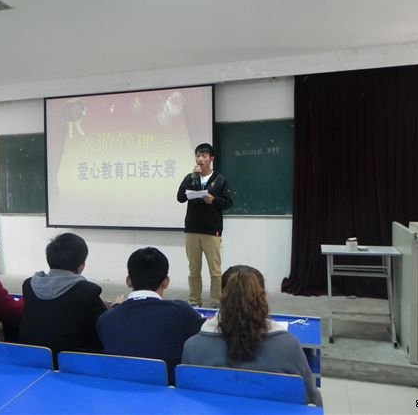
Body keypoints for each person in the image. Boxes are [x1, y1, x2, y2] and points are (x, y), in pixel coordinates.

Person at [182, 265, 322, 407]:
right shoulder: (288, 347)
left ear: (222, 297)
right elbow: (313, 402)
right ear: (263, 298)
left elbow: (186, 401)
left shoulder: (193, 347)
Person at [96, 247, 204, 384]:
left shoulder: (106, 319)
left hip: (119, 391)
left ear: (128, 280)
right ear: (166, 282)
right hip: (168, 392)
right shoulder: (182, 312)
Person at [19, 233, 107, 366]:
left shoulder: (28, 285)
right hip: (69, 366)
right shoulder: (87, 291)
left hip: (30, 360)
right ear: (81, 266)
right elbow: (104, 327)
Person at [177, 143, 233, 308]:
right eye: (198, 156)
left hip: (211, 230)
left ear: (211, 158)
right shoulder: (190, 178)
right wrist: (191, 179)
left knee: (215, 270)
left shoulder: (220, 179)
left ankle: (216, 301)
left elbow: (228, 202)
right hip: (192, 229)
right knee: (194, 269)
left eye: (204, 156)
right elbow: (180, 197)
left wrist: (213, 200)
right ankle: (194, 300)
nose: (200, 159)